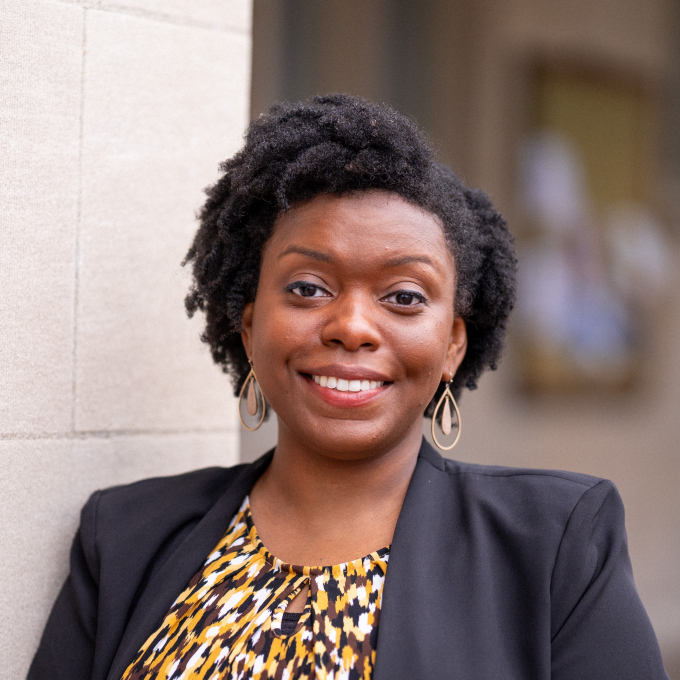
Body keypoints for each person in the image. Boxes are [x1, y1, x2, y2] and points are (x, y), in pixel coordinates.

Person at [28, 94, 669, 680]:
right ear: (249, 326)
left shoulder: (554, 547)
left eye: (404, 297)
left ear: (453, 344)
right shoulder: (125, 538)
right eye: (308, 287)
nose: (353, 327)